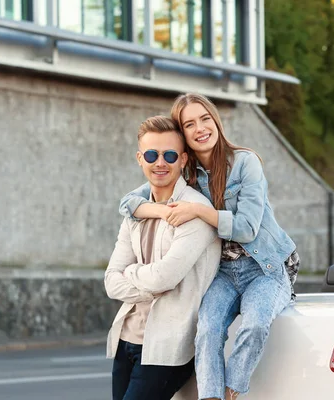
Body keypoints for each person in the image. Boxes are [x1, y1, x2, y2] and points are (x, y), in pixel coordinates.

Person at [119, 93, 300, 400]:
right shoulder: (185, 174)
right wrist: (164, 211)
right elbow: (129, 202)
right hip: (224, 273)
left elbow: (246, 227)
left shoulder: (245, 163)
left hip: (265, 268)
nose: (200, 128)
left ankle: (231, 391)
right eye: (189, 124)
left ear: (215, 120)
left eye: (204, 119)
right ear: (183, 135)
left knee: (255, 324)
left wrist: (198, 210)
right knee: (207, 331)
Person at [105, 115, 221, 400]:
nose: (160, 163)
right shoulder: (136, 212)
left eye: (169, 155)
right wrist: (146, 279)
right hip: (126, 338)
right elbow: (111, 282)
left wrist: (131, 273)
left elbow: (164, 277)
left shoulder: (195, 211)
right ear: (139, 159)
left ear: (183, 160)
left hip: (168, 345)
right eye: (151, 154)